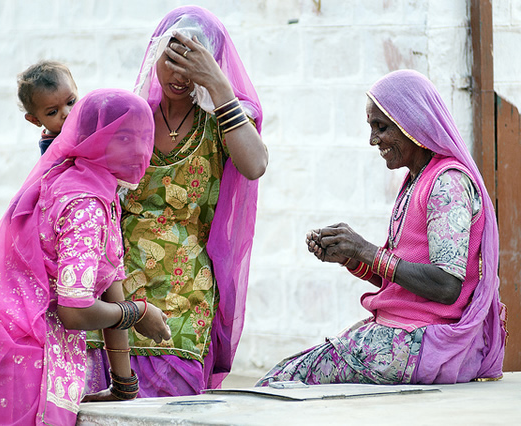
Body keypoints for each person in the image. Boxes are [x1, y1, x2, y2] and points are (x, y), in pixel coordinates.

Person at [0, 89, 171, 425]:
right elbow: (75, 310)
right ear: (92, 138)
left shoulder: (91, 186)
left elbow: (111, 284)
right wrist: (139, 312)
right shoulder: (84, 202)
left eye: (143, 136)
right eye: (123, 136)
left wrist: (124, 385)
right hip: (17, 372)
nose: (137, 148)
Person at [257, 69, 506, 387]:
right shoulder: (418, 179)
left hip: (424, 341)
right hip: (406, 333)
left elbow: (446, 286)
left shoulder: (448, 183)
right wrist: (351, 256)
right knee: (286, 374)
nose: (373, 139)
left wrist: (366, 250)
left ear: (412, 124)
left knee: (283, 381)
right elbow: (404, 279)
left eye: (381, 127)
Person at [93, 6, 268, 398]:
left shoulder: (222, 119)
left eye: (194, 62)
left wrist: (219, 88)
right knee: (102, 407)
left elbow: (255, 164)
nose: (179, 73)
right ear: (156, 53)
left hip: (187, 291)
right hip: (117, 283)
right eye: (173, 57)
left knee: (174, 407)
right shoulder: (129, 117)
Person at [17, 60, 79, 155]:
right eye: (53, 112)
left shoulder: (87, 121)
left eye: (71, 102)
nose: (67, 113)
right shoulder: (52, 150)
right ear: (35, 120)